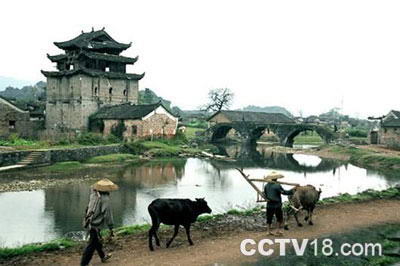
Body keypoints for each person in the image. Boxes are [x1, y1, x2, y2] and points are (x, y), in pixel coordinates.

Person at [81, 178, 118, 266]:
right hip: (95, 224)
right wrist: (111, 227)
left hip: (88, 220)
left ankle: (103, 256)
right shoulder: (105, 199)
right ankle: (84, 263)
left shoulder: (93, 195)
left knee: (97, 241)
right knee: (92, 245)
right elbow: (108, 214)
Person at [263, 172, 294, 236]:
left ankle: (268, 231)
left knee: (269, 218)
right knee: (279, 218)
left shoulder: (266, 185)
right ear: (276, 178)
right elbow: (284, 192)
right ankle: (277, 231)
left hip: (269, 204)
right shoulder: (277, 185)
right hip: (277, 204)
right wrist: (292, 190)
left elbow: (265, 194)